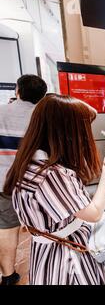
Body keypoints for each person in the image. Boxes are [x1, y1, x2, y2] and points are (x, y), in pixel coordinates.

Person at [3, 94, 105, 285]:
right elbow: (93, 214)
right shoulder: (50, 174)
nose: (85, 135)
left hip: (45, 254)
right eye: (82, 128)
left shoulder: (28, 163)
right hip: (68, 258)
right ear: (66, 132)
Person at [0, 74, 47, 285]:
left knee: (7, 229)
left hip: (4, 183)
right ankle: (44, 271)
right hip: (35, 185)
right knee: (42, 228)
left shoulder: (1, 112)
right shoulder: (43, 117)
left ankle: (9, 276)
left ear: (17, 91)